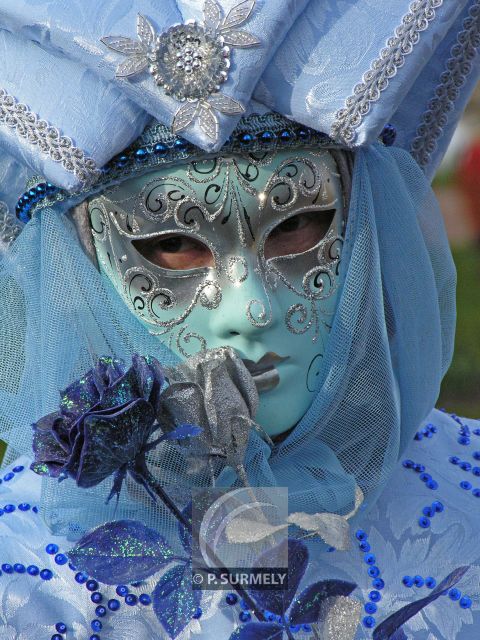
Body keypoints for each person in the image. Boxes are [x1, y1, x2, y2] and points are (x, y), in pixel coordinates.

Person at [0, 1, 479, 639]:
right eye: (174, 245)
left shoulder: (464, 508)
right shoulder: (25, 582)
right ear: (83, 265)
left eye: (297, 225)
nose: (251, 309)